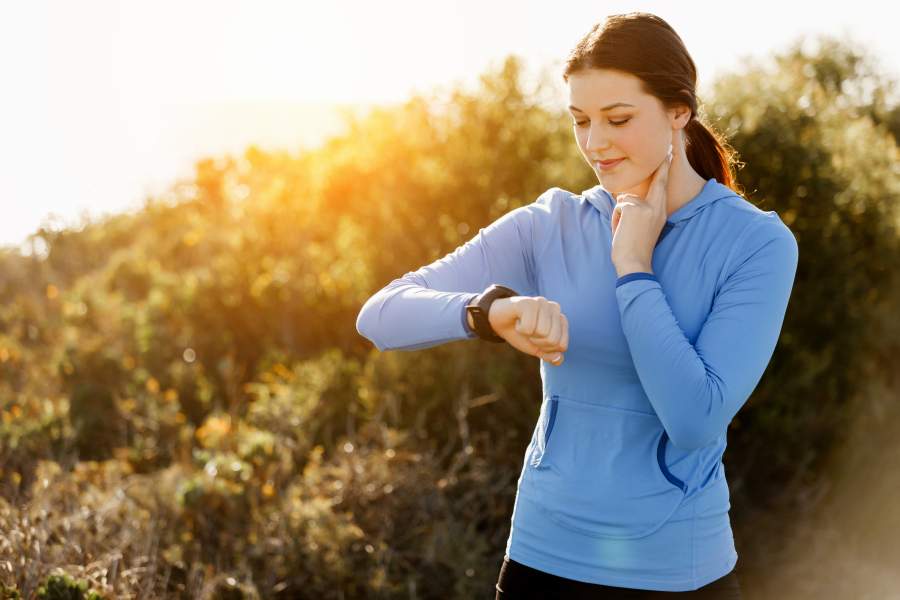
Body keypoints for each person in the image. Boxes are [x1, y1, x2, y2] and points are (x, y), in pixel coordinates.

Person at [356, 11, 798, 598]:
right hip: (543, 559)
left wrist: (634, 268)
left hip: (679, 570)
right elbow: (381, 315)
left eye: (617, 119)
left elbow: (694, 420)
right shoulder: (552, 223)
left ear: (679, 111)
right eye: (580, 121)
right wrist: (487, 314)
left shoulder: (756, 243)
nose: (595, 143)